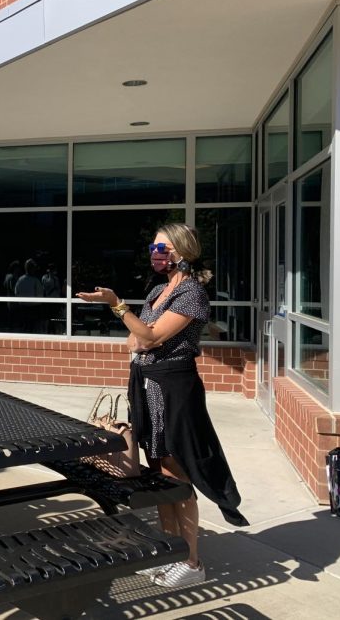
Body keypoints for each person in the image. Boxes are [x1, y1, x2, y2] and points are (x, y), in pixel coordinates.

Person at [76, 223, 247, 588]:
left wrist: (116, 305)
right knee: (157, 473)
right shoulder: (156, 291)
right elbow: (134, 341)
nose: (156, 252)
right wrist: (137, 331)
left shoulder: (192, 294)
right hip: (146, 384)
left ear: (182, 251)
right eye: (154, 246)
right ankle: (166, 553)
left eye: (163, 247)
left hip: (174, 389)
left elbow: (149, 335)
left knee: (176, 471)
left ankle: (191, 561)